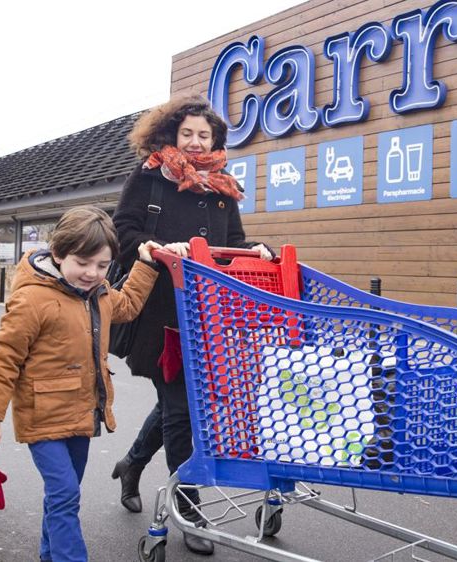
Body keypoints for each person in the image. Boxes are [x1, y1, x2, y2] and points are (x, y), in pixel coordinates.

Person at [110, 93, 272, 556]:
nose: (196, 142)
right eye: (187, 134)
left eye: (204, 134)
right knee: (182, 410)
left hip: (205, 316)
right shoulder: (150, 177)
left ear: (215, 140)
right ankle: (189, 509)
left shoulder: (222, 188)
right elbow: (123, 231)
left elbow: (233, 242)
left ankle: (132, 463)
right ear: (172, 135)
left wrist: (255, 250)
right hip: (159, 314)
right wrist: (155, 248)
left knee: (176, 406)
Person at [0, 206, 161, 562]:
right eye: (83, 262)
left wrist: (145, 264)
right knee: (65, 494)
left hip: (82, 414)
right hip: (42, 418)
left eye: (102, 265)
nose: (92, 273)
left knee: (63, 495)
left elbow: (129, 305)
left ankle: (49, 554)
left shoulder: (99, 293)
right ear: (58, 253)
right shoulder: (32, 298)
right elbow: (4, 356)